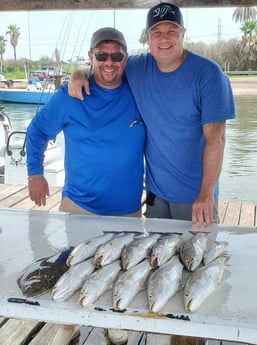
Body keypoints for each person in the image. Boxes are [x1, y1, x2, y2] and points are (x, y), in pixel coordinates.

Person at [26, 27, 145, 345]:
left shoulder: (140, 89)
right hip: (80, 204)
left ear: (126, 58)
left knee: (119, 270)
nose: (109, 62)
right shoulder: (71, 95)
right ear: (91, 57)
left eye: (116, 55)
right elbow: (37, 130)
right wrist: (35, 174)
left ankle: (113, 321)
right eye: (101, 55)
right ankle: (68, 325)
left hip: (127, 211)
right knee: (73, 268)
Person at [68, 2, 236, 228]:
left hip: (195, 198)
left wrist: (206, 195)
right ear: (148, 37)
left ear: (183, 34)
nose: (163, 39)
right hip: (156, 195)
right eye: (156, 32)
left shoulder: (209, 74)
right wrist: (79, 73)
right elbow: (106, 66)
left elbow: (217, 139)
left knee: (198, 260)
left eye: (171, 31)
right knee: (157, 259)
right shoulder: (138, 67)